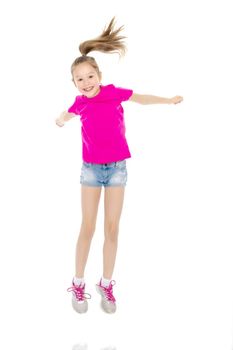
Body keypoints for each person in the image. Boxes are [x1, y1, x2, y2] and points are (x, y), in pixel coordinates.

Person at [56, 17, 183, 314]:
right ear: (74, 83)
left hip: (116, 170)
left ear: (99, 75)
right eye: (80, 79)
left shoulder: (113, 93)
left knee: (112, 229)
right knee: (87, 227)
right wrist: (59, 121)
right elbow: (64, 115)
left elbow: (142, 99)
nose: (86, 83)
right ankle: (78, 282)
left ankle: (107, 283)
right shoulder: (80, 103)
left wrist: (168, 100)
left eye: (90, 76)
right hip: (90, 170)